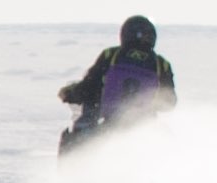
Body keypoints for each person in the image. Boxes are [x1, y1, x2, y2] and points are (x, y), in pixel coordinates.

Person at [58, 16, 178, 148]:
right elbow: (169, 102)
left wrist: (69, 93)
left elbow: (89, 86)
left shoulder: (111, 55)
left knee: (83, 127)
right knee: (169, 143)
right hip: (143, 128)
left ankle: (75, 157)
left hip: (107, 124)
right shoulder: (162, 64)